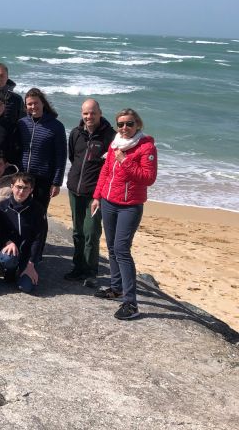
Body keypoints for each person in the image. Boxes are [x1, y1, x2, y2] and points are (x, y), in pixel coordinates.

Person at [92, 108, 157, 321]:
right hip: (109, 202)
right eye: (120, 124)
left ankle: (131, 303)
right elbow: (105, 172)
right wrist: (97, 196)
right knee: (111, 247)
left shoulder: (146, 147)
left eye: (129, 124)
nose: (124, 128)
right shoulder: (115, 143)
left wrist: (125, 161)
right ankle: (116, 288)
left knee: (122, 249)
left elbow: (148, 178)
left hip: (130, 206)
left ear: (137, 124)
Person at [65, 99, 116, 287]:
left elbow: (111, 168)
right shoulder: (76, 133)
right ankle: (78, 268)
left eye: (93, 112)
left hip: (95, 195)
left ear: (100, 113)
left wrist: (100, 193)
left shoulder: (110, 136)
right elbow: (73, 157)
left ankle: (90, 272)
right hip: (74, 190)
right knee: (78, 232)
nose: (89, 116)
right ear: (81, 114)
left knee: (92, 232)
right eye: (86, 113)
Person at [0, 173, 48, 294]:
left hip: (28, 253)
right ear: (12, 186)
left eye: (25, 188)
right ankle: (10, 270)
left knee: (26, 287)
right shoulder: (1, 207)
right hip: (10, 251)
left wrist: (31, 264)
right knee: (8, 259)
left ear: (31, 190)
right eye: (18, 187)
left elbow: (38, 238)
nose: (21, 191)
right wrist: (7, 241)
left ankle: (25, 268)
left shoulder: (38, 209)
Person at [18, 88, 66, 210]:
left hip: (43, 179)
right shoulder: (21, 123)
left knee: (39, 214)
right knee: (21, 211)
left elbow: (61, 156)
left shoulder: (56, 126)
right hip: (22, 177)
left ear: (43, 103)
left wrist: (56, 183)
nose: (33, 106)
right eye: (29, 104)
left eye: (36, 103)